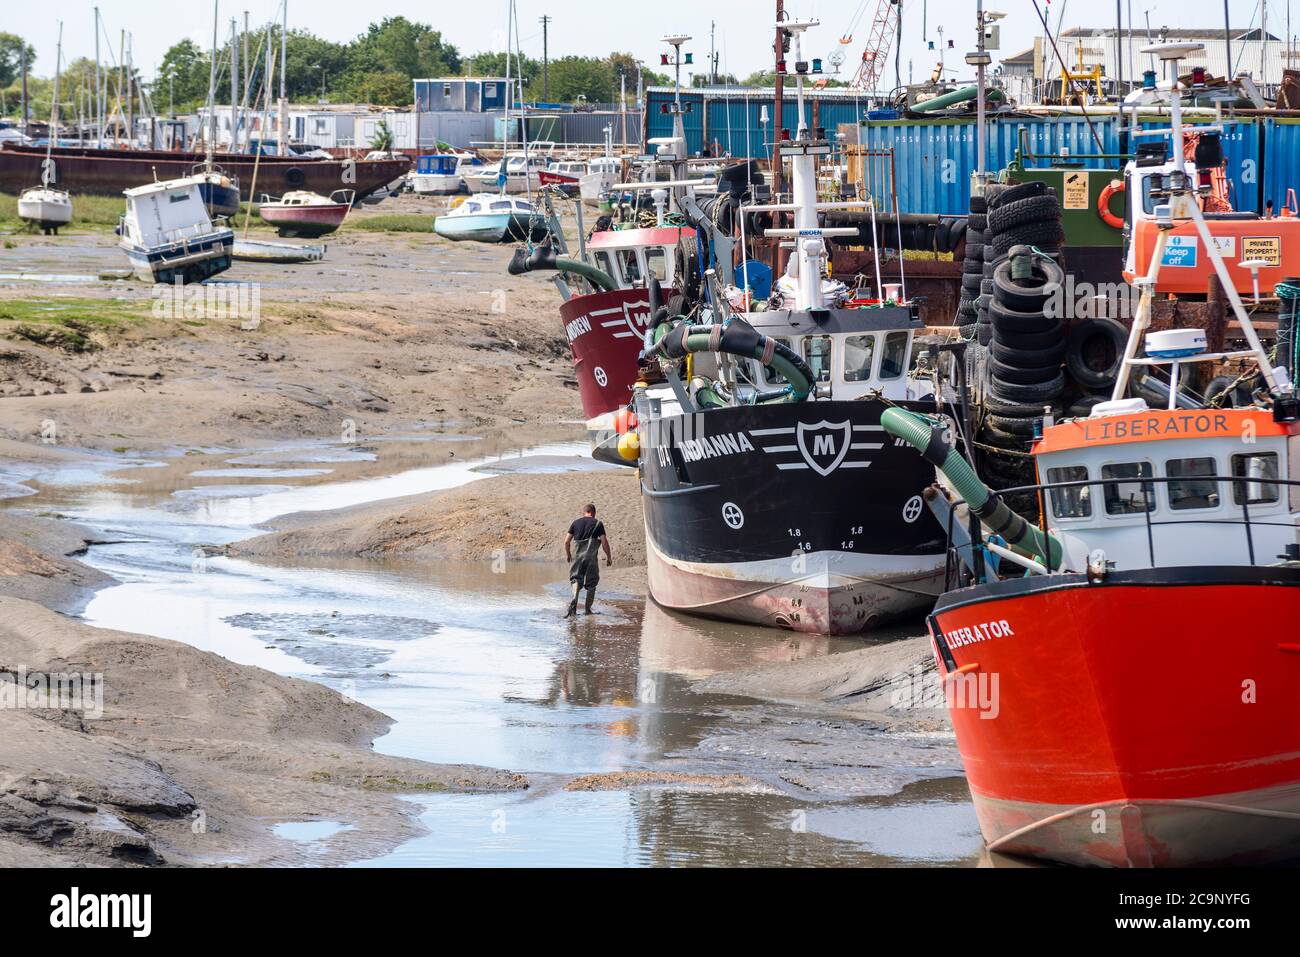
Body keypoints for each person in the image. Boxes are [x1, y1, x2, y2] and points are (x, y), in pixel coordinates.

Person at [563, 504, 612, 617]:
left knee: (575, 579)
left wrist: (568, 554)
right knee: (591, 583)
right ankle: (587, 610)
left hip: (577, 557)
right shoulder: (598, 524)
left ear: (584, 512)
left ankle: (574, 601)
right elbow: (604, 542)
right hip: (591, 558)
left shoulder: (575, 523)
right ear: (594, 512)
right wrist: (609, 557)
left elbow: (566, 541)